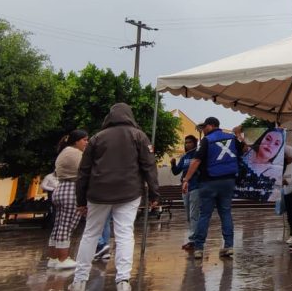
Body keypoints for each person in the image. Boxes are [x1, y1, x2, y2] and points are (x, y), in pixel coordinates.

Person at [69, 103, 159, 291]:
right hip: (129, 191)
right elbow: (149, 166)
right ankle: (123, 281)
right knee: (125, 234)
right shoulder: (139, 136)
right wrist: (154, 193)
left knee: (90, 234)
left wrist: (81, 200)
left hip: (98, 193)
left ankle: (79, 280)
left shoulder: (96, 138)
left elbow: (83, 171)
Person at [181, 117, 244, 260]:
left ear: (211, 126)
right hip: (228, 181)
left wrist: (186, 179)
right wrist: (238, 134)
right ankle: (228, 246)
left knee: (205, 215)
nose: (203, 130)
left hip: (209, 182)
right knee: (226, 213)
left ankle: (199, 248)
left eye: (204, 127)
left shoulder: (207, 140)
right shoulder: (232, 138)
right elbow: (245, 149)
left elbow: (196, 160)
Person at [46, 130, 89, 269]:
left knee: (59, 225)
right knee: (67, 226)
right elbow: (85, 170)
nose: (86, 143)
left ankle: (53, 257)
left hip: (61, 188)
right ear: (76, 141)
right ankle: (63, 259)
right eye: (84, 140)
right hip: (71, 190)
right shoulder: (75, 153)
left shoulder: (65, 152)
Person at [171, 135, 200, 251]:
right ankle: (194, 237)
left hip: (196, 187)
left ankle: (194, 240)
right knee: (188, 214)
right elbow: (176, 171)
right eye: (186, 142)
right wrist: (173, 164)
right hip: (185, 188)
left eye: (190, 142)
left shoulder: (198, 154)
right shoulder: (184, 157)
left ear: (195, 143)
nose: (187, 144)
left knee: (194, 214)